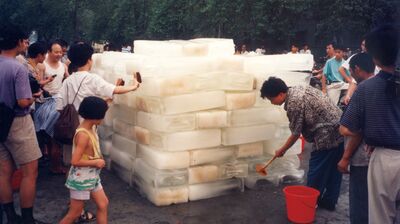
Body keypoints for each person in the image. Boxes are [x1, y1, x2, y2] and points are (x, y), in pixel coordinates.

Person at [55, 42, 140, 222]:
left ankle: (76, 206)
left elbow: (59, 107)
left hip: (68, 131)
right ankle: (77, 210)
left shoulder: (68, 80)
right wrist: (133, 86)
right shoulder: (91, 79)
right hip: (86, 132)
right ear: (89, 59)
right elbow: (113, 90)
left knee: (72, 168)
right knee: (83, 165)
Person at [340, 24, 400, 224]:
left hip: (385, 159)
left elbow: (347, 127)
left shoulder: (367, 88)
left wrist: (374, 128)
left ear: (374, 57)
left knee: (381, 217)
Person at [260, 77, 344, 211]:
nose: (272, 103)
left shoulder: (294, 103)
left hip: (326, 134)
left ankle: (308, 204)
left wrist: (282, 150)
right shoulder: (296, 89)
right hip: (339, 128)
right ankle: (329, 202)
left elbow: (295, 133)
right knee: (334, 169)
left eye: (271, 99)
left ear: (281, 94)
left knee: (317, 171)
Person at [0, 24, 45, 224]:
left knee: (3, 171)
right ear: (18, 42)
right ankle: (27, 219)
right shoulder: (17, 67)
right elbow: (23, 101)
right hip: (18, 122)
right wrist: (34, 96)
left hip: (1, 123)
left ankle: (10, 216)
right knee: (29, 172)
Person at [336, 53, 375, 224]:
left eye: (351, 72)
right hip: (378, 157)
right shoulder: (386, 85)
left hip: (361, 158)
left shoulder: (364, 90)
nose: (351, 76)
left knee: (360, 202)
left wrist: (345, 158)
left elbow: (351, 129)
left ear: (357, 69)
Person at [60, 96, 109, 224]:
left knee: (103, 204)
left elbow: (101, 105)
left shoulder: (91, 127)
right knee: (74, 213)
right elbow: (74, 161)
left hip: (92, 177)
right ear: (95, 116)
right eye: (102, 115)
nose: (103, 118)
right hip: (81, 180)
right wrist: (96, 162)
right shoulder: (83, 135)